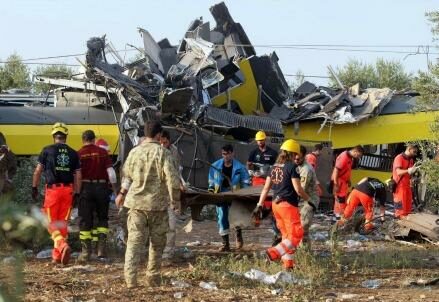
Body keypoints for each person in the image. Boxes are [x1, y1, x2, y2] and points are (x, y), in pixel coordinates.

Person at [115, 121, 180, 289]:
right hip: (157, 206)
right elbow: (172, 181)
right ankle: (152, 277)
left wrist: (121, 194)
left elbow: (127, 177)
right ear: (159, 135)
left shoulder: (134, 152)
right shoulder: (163, 153)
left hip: (136, 205)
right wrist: (175, 201)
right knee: (157, 244)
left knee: (134, 243)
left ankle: (131, 279)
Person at [255, 139, 310, 269]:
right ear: (293, 153)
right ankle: (272, 253)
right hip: (288, 205)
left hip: (276, 205)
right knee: (296, 234)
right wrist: (309, 200)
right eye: (296, 154)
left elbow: (266, 188)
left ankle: (288, 265)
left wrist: (259, 204)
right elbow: (298, 189)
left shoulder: (273, 167)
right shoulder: (292, 167)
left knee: (286, 236)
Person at [32, 122, 81, 265]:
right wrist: (77, 193)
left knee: (49, 221)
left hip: (53, 191)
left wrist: (34, 188)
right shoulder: (73, 153)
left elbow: (37, 171)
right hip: (68, 191)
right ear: (66, 136)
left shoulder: (47, 150)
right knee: (61, 224)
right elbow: (78, 175)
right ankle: (57, 257)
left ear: (54, 136)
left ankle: (61, 244)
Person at [77, 130, 118, 262]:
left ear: (83, 140)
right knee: (102, 218)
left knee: (85, 220)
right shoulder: (103, 152)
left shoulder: (79, 154)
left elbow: (76, 175)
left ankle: (85, 252)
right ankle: (101, 249)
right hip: (101, 188)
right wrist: (115, 190)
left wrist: (76, 192)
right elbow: (111, 173)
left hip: (86, 188)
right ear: (94, 139)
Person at [208, 144, 250, 252]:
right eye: (224, 154)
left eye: (228, 154)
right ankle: (225, 243)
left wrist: (245, 194)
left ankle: (238, 234)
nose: (226, 156)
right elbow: (211, 180)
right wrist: (211, 189)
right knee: (222, 216)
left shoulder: (240, 168)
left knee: (236, 216)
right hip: (221, 194)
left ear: (232, 153)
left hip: (234, 194)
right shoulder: (215, 166)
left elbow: (245, 182)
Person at [246, 130, 280, 245]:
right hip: (257, 180)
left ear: (265, 140)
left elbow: (277, 165)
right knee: (258, 202)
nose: (260, 142)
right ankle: (257, 218)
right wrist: (251, 172)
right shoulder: (253, 152)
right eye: (258, 140)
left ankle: (276, 230)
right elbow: (249, 163)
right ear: (256, 141)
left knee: (271, 205)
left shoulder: (273, 153)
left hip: (269, 180)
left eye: (262, 140)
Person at [160, 130, 184, 259]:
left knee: (171, 224)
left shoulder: (174, 151)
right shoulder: (155, 151)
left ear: (169, 141)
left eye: (165, 142)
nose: (163, 145)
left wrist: (180, 183)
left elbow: (177, 170)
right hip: (157, 193)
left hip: (171, 193)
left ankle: (167, 254)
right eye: (161, 142)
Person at [331, 145, 364, 220]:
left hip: (344, 182)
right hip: (339, 181)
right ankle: (339, 217)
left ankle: (339, 216)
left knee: (342, 199)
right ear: (355, 151)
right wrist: (336, 184)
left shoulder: (350, 158)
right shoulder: (344, 157)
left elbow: (347, 169)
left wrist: (348, 180)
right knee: (340, 200)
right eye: (358, 155)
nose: (358, 157)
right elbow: (336, 171)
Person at [295, 146, 320, 242]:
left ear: (304, 156)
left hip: (309, 201)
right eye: (294, 158)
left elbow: (300, 190)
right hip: (302, 199)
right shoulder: (297, 166)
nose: (296, 160)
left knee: (303, 228)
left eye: (298, 158)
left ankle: (305, 253)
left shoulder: (306, 169)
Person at [392, 144, 418, 218]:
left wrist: (412, 178)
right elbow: (398, 172)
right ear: (409, 149)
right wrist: (408, 170)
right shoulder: (399, 158)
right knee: (400, 211)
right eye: (414, 151)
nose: (415, 153)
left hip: (407, 186)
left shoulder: (411, 160)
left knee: (408, 209)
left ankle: (406, 225)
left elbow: (410, 173)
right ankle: (400, 224)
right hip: (399, 187)